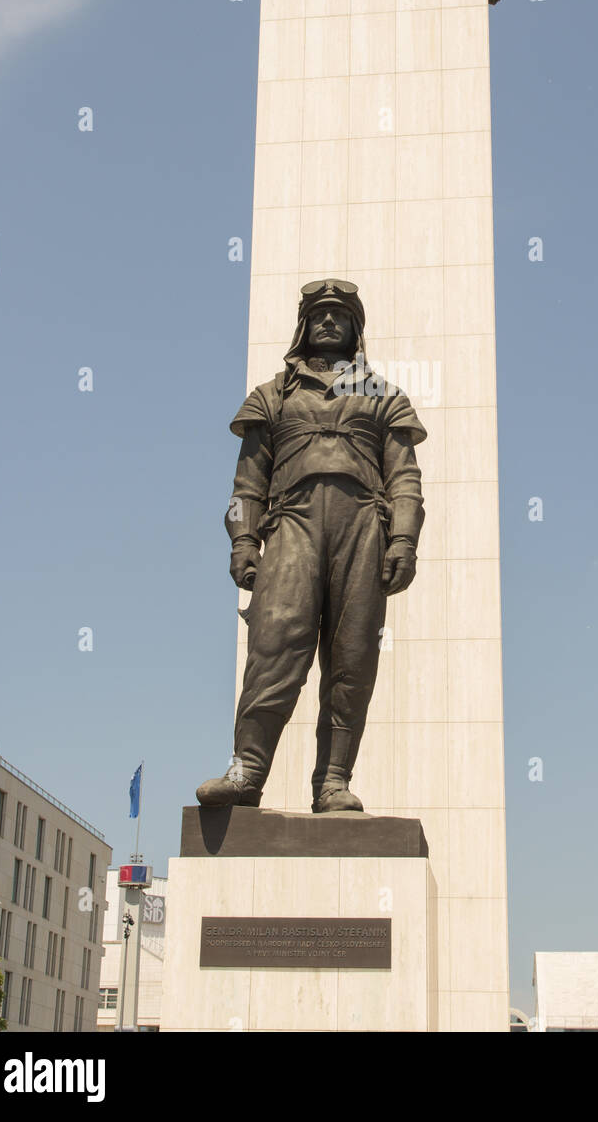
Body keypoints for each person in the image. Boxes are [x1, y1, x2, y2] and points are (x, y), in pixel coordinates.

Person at [196, 280, 426, 813]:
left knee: (352, 658)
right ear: (304, 325)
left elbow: (406, 480)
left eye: (340, 315)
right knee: (274, 645)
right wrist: (242, 541)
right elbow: (246, 486)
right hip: (291, 526)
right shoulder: (272, 395)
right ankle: (246, 772)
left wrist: (404, 540)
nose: (329, 322)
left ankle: (333, 782)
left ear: (355, 329)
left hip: (363, 528)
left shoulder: (384, 395)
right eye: (320, 314)